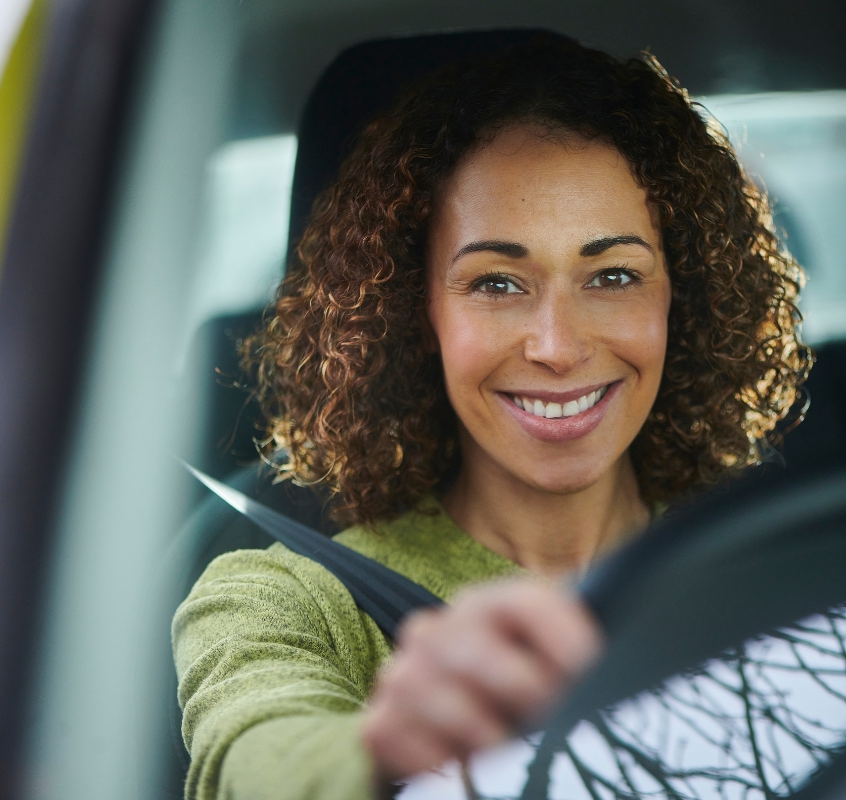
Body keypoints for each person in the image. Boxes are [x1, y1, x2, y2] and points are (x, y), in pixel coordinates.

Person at [172, 35, 811, 800]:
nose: (558, 347)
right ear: (419, 311)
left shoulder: (782, 557)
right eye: (497, 284)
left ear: (683, 296)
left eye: (612, 275)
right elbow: (255, 754)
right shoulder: (281, 597)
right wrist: (388, 754)